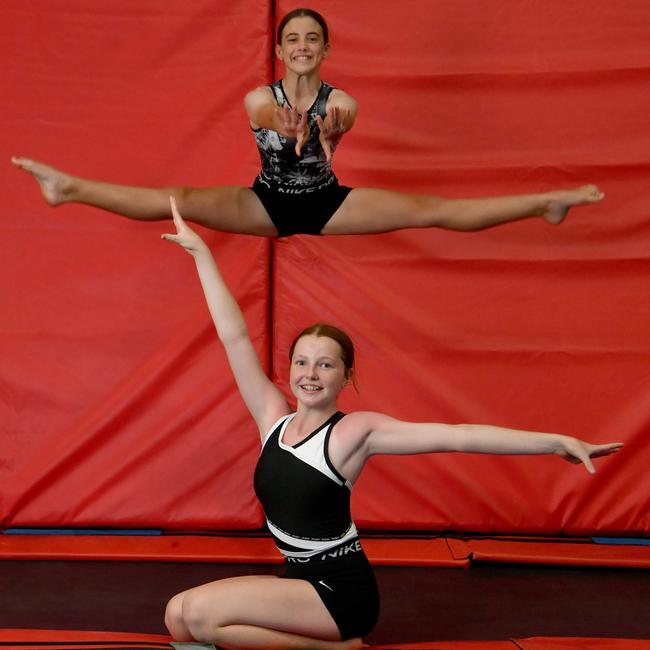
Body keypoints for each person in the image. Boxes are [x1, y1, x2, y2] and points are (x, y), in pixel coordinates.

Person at [160, 196, 622, 649]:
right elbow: (234, 336)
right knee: (178, 617)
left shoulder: (354, 433)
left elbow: (457, 437)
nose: (310, 375)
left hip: (340, 595)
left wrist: (554, 442)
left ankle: (339, 648)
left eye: (325, 365)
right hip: (298, 583)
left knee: (200, 615)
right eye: (302, 363)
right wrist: (202, 253)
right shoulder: (272, 420)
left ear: (347, 375)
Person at [13, 8, 603, 238]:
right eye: (292, 39)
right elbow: (273, 123)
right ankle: (69, 188)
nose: (301, 47)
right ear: (278, 50)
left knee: (435, 211)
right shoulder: (256, 98)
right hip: (265, 202)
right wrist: (295, 134)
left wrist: (328, 135)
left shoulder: (342, 98)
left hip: (327, 201)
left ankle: (545, 202)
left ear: (325, 49)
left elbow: (336, 126)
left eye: (311, 39)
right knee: (182, 198)